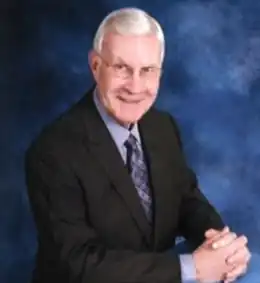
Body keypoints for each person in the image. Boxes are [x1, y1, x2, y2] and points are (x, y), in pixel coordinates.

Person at [25, 7, 251, 283]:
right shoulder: (52, 152)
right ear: (96, 66)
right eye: (122, 68)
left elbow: (188, 202)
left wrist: (222, 247)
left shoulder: (163, 128)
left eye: (147, 70)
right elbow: (78, 263)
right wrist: (191, 268)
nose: (135, 86)